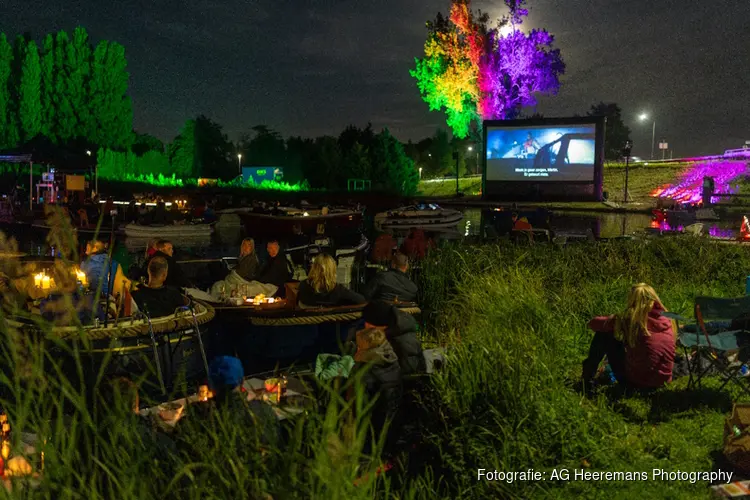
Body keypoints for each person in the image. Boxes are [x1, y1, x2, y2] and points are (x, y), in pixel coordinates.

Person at [581, 283, 675, 392]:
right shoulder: (667, 318)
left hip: (637, 383)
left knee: (604, 334)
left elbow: (594, 323)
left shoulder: (631, 319)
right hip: (663, 381)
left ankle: (587, 380)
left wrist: (613, 319)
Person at [351, 327, 402, 433]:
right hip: (394, 411)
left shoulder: (366, 365)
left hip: (374, 420)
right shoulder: (391, 357)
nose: (358, 347)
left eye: (360, 345)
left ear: (367, 344)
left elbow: (363, 398)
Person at [362, 301, 425, 376]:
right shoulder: (396, 331)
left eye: (368, 324)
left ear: (380, 325)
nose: (366, 327)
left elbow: (408, 373)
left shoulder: (401, 342)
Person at [298, 254, 365, 307]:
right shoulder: (337, 290)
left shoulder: (303, 286)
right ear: (333, 270)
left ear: (313, 268)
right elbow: (361, 300)